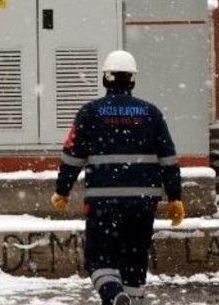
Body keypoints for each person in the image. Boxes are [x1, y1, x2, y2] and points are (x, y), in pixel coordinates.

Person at [50, 50, 185, 305]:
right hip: (143, 203)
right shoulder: (151, 113)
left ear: (105, 79)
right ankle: (132, 299)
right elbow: (168, 158)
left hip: (103, 202)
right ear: (132, 80)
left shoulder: (90, 112)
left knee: (99, 257)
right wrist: (175, 197)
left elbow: (72, 157)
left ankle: (114, 296)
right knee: (134, 259)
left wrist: (63, 190)